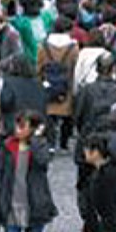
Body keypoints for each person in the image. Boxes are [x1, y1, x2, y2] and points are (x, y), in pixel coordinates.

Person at [0, 112, 58, 232]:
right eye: (17, 125)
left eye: (23, 126)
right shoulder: (8, 145)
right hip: (12, 200)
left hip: (34, 202)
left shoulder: (38, 146)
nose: (18, 130)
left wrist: (36, 139)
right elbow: (0, 172)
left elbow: (43, 161)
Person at [39, 18, 80, 151]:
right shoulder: (73, 47)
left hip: (48, 84)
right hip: (66, 84)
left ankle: (51, 142)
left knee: (49, 113)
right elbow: (76, 67)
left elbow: (39, 66)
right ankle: (64, 142)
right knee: (67, 114)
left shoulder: (43, 46)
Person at [0, 54, 48, 136]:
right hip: (37, 123)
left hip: (16, 124)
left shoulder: (10, 82)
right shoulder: (38, 83)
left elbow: (5, 102)